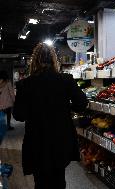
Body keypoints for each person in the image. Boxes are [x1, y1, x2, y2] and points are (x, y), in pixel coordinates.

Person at [13, 43, 88, 189]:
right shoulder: (66, 80)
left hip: (36, 139)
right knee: (59, 179)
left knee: (40, 181)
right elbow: (82, 104)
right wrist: (66, 108)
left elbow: (18, 115)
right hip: (61, 138)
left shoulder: (25, 84)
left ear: (34, 61)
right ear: (54, 60)